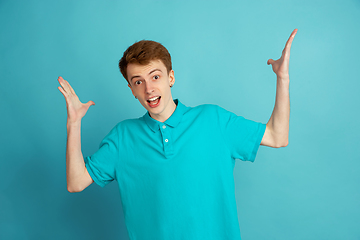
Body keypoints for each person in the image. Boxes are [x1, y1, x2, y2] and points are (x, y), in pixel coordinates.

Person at [58, 29, 297, 240]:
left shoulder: (213, 120)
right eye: (138, 82)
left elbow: (278, 136)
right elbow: (76, 182)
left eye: (155, 76)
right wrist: (74, 123)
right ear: (131, 89)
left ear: (170, 77)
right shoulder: (123, 138)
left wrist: (282, 78)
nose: (149, 88)